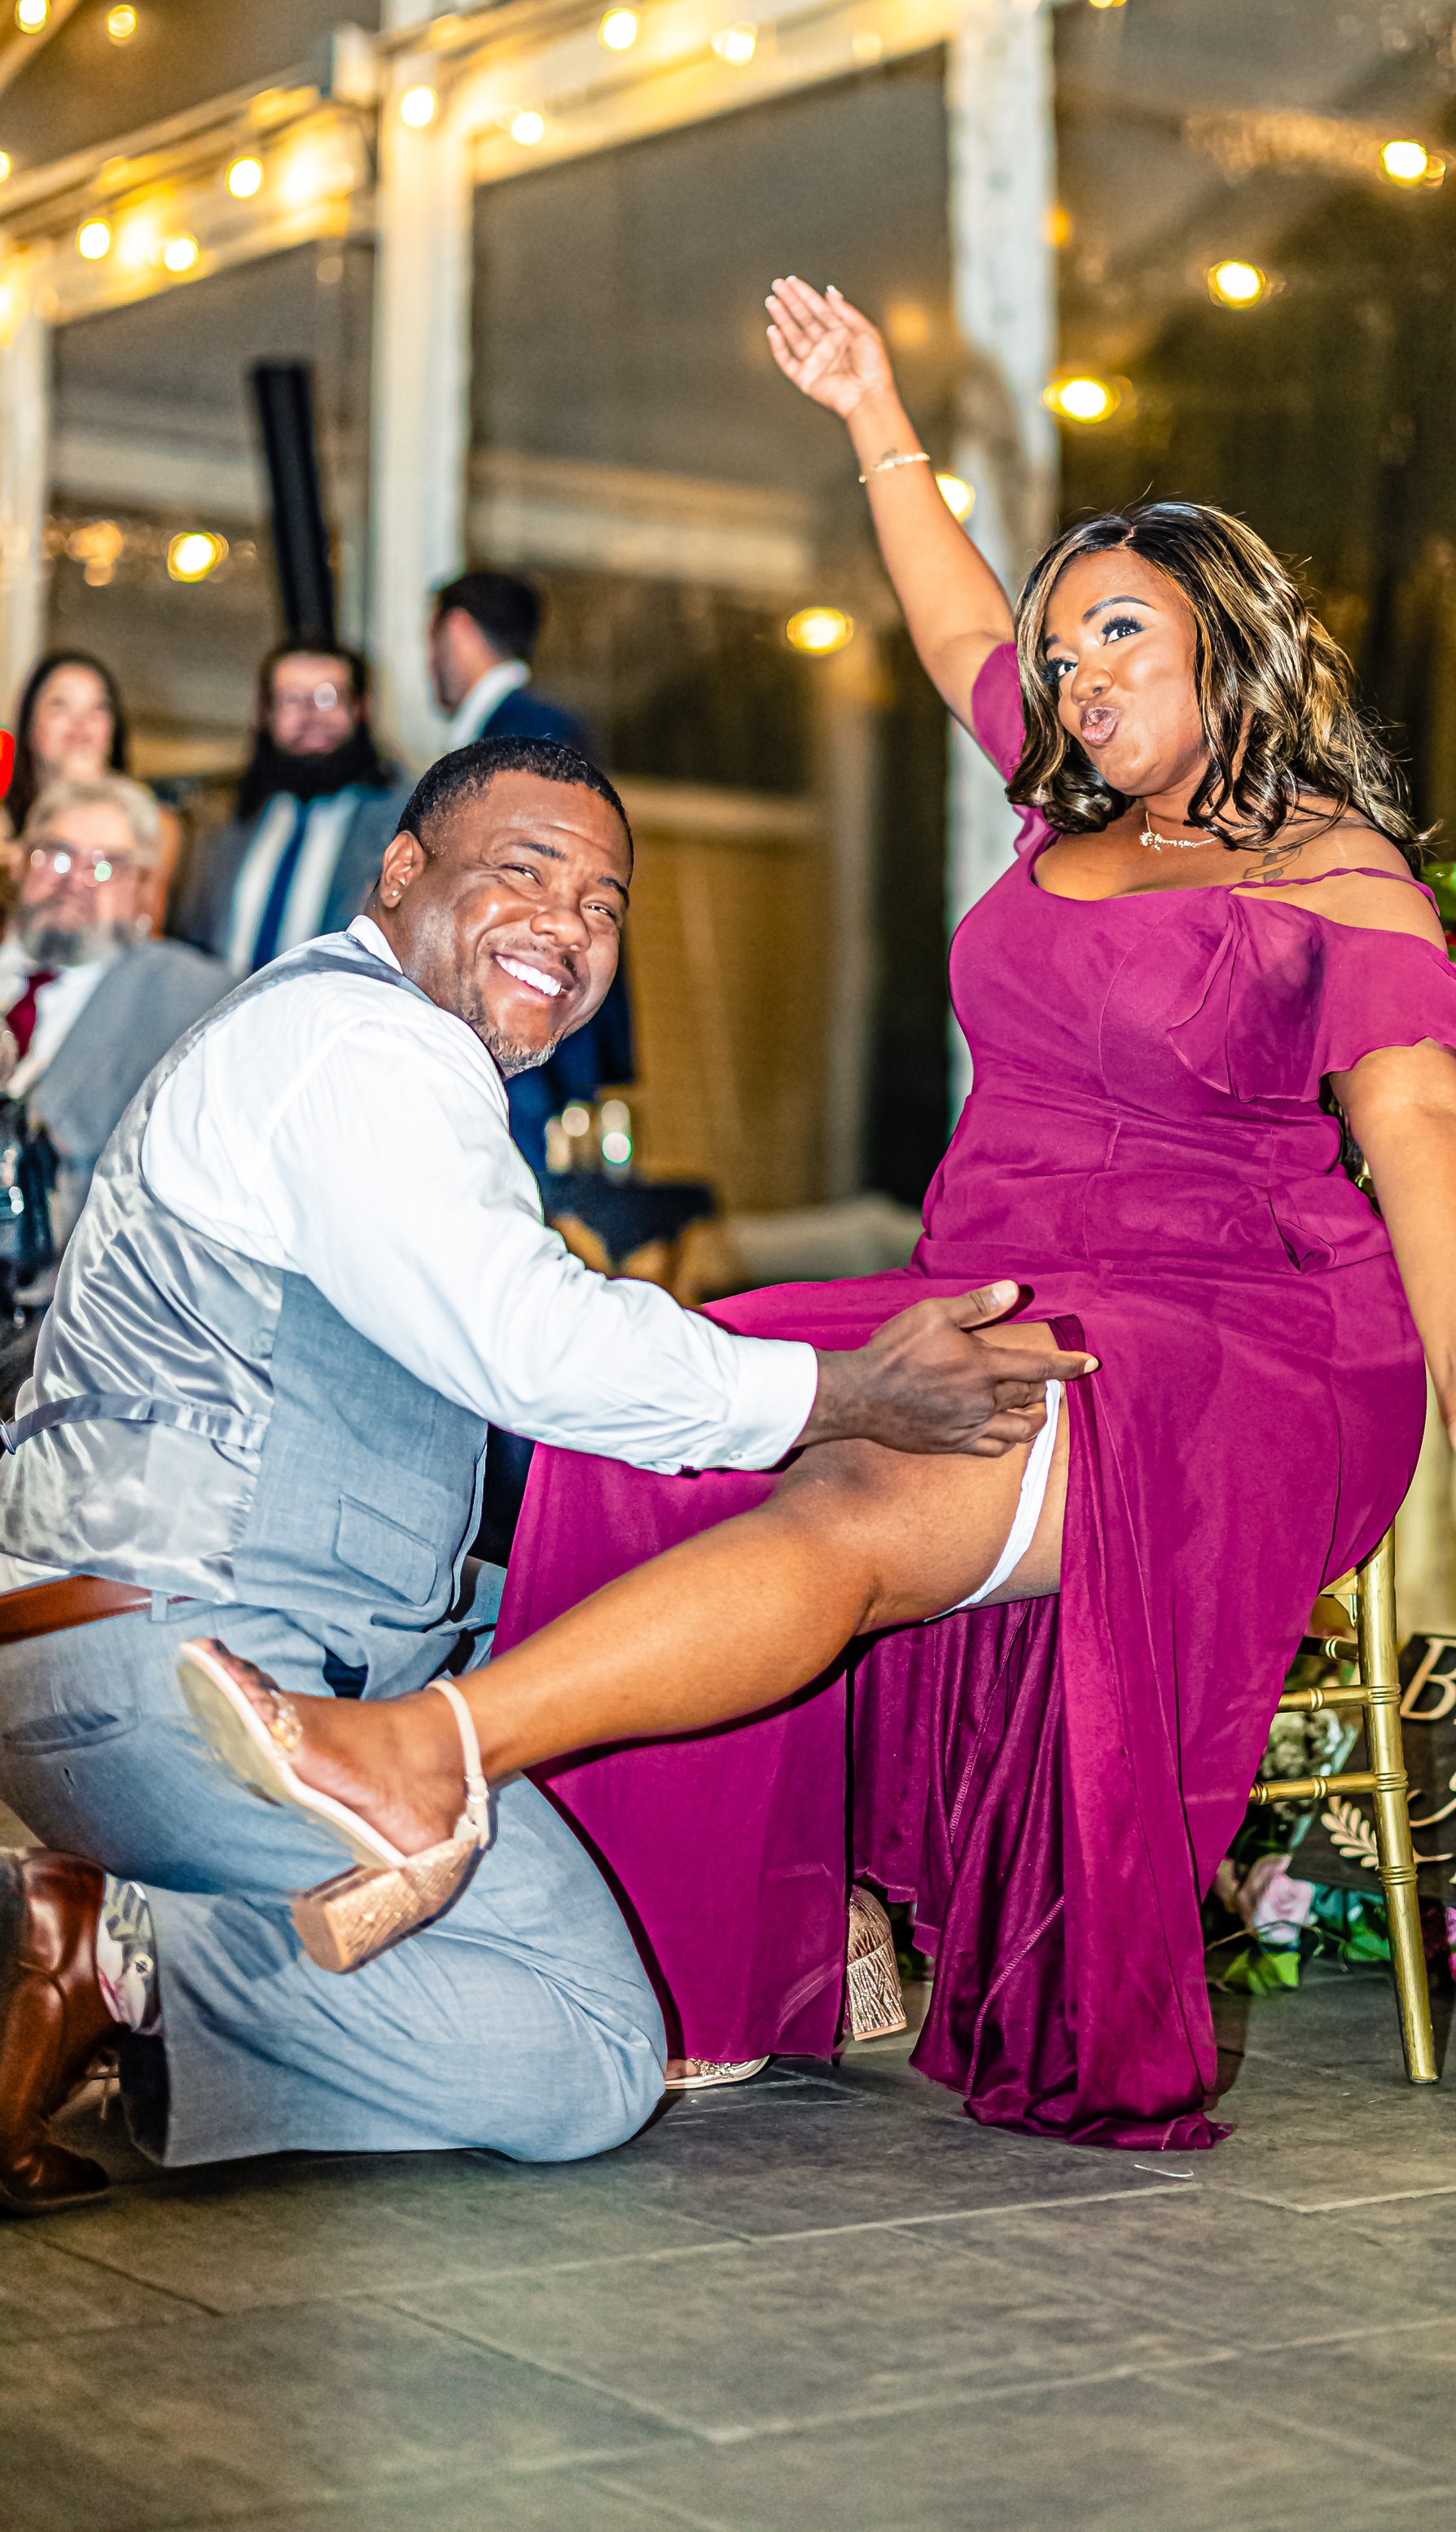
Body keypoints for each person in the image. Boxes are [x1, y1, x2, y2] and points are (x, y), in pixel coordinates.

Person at [169, 275, 1456, 2158]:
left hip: (1231, 1327)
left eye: (1121, 638)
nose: (1074, 677)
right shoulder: (1060, 804)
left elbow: (1420, 1113)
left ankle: (434, 1749)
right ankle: (666, 1951)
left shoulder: (1334, 872)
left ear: (1228, 649)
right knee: (670, 1408)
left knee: (856, 1486)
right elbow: (949, 617)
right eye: (1065, 650)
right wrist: (867, 408)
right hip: (1006, 1275)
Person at [0, 731, 1087, 2213]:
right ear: (402, 872)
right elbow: (535, 1345)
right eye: (526, 871)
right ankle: (132, 1960)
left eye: (603, 903)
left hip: (140, 1664)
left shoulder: (332, 1033)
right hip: (192, 1675)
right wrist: (852, 1394)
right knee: (586, 2057)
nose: (569, 927)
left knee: (594, 1711)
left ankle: (133, 1965)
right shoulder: (364, 1047)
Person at [428, 574, 626, 1172]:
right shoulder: (532, 728)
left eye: (429, 639)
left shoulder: (524, 736)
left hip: (513, 1032)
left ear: (455, 630)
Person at [0, 776, 234, 1248]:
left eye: (106, 866)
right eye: (57, 855)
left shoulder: (193, 996)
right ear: (23, 864)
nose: (75, 881)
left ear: (142, 888)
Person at [176, 643, 407, 971]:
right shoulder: (222, 818)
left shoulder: (403, 823)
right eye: (292, 700)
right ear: (265, 715)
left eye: (328, 697)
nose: (312, 716)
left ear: (361, 709)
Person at [429, 572, 581, 748]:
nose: (430, 661)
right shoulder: (544, 721)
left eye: (434, 638)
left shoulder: (515, 735)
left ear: (457, 629)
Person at [7, 653, 127, 831]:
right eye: (60, 705)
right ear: (30, 728)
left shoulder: (157, 830)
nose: (81, 722)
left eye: (98, 707)